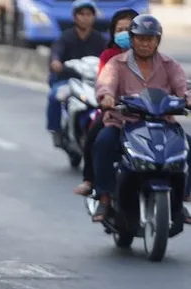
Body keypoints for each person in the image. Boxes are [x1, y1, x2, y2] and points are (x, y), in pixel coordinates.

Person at [91, 14, 191, 222]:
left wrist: (187, 99)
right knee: (103, 143)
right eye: (140, 38)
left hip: (163, 124)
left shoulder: (169, 64)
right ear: (132, 39)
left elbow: (183, 86)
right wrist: (107, 96)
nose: (145, 43)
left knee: (187, 148)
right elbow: (106, 83)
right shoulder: (116, 63)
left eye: (150, 39)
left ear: (157, 40)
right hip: (124, 123)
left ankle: (182, 198)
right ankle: (104, 197)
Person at [73, 8, 138, 196]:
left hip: (149, 113)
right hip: (117, 111)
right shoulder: (110, 57)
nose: (124, 33)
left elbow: (176, 84)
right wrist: (108, 97)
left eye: (129, 28)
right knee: (96, 136)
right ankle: (91, 181)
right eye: (120, 29)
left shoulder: (156, 59)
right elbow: (104, 83)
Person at [46, 0, 107, 147]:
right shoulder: (65, 37)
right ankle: (56, 131)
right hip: (69, 81)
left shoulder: (99, 39)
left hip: (93, 82)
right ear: (75, 17)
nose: (85, 17)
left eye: (89, 14)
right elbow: (55, 54)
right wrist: (56, 63)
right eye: (82, 14)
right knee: (55, 96)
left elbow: (108, 57)